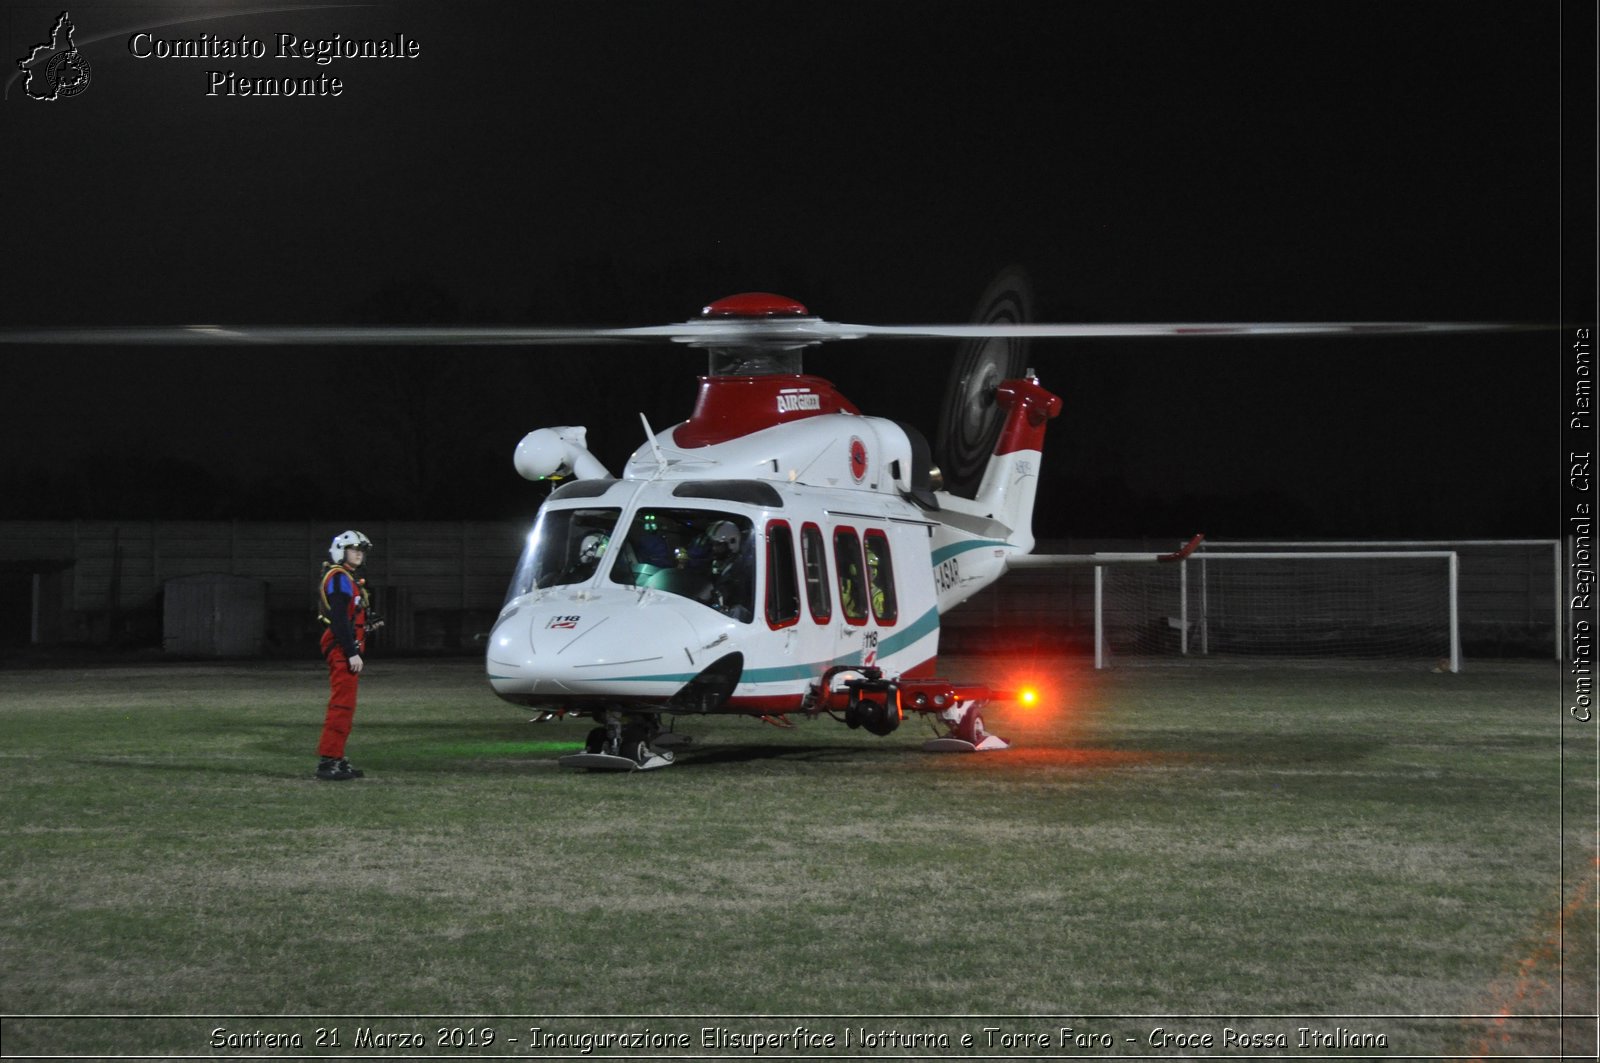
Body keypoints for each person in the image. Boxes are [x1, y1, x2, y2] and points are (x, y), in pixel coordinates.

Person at [315, 530, 383, 781]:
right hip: (342, 648)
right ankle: (329, 760)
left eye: (361, 549)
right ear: (340, 550)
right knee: (342, 705)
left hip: (344, 646)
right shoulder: (339, 577)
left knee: (346, 705)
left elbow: (347, 617)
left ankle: (336, 757)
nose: (358, 553)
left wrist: (366, 625)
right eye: (353, 548)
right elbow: (339, 620)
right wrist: (352, 651)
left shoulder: (347, 578)